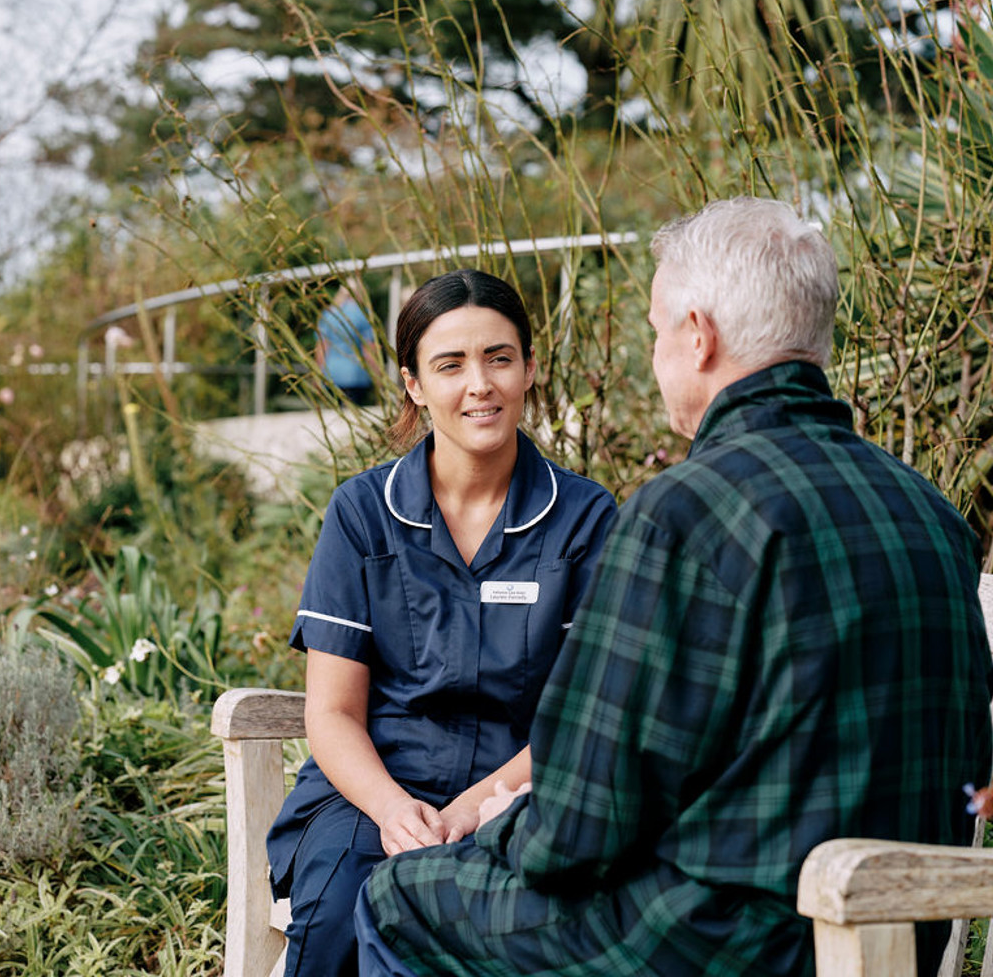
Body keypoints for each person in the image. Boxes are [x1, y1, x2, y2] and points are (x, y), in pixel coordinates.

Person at [358, 198, 993, 977]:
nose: (656, 352)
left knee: (396, 896)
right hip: (896, 933)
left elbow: (577, 833)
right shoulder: (929, 511)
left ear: (699, 336)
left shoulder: (686, 512)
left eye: (658, 331)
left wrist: (500, 823)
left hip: (721, 942)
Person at [266, 268, 617, 977]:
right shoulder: (362, 512)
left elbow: (584, 717)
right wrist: (397, 813)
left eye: (499, 358)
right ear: (414, 385)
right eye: (450, 365)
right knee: (339, 914)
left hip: (522, 799)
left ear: (529, 370)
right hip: (370, 793)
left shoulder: (586, 520)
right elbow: (331, 712)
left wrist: (470, 810)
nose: (479, 385)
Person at [315, 283, 378, 405]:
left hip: (331, 374)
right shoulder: (364, 314)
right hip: (356, 374)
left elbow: (322, 348)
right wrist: (377, 375)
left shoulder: (328, 314)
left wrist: (318, 373)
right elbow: (368, 349)